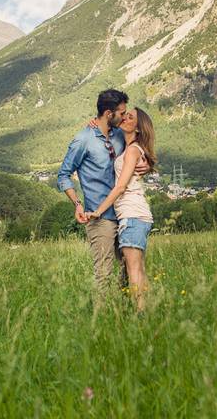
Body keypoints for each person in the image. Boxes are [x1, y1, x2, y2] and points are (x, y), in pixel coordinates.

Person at [57, 89, 148, 297]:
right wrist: (77, 204)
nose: (125, 116)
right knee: (104, 273)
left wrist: (147, 163)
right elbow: (63, 175)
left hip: (125, 215)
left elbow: (141, 144)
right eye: (121, 113)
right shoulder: (83, 140)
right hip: (100, 217)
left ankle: (124, 314)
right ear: (109, 114)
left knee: (131, 267)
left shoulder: (119, 134)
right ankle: (101, 320)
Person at [88, 107, 157, 311]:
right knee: (138, 269)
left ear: (138, 127)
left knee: (133, 269)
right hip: (136, 215)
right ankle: (145, 312)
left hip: (131, 215)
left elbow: (120, 187)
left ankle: (140, 315)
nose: (126, 117)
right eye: (125, 115)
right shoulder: (131, 148)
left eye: (131, 117)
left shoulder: (133, 150)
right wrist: (94, 122)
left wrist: (98, 211)